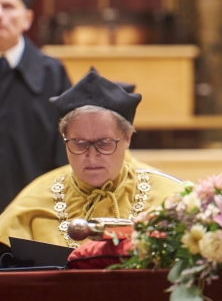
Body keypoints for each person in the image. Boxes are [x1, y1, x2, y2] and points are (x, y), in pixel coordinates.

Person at [0, 69, 182, 251]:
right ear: (64, 140)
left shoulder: (172, 199)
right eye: (79, 143)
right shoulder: (32, 203)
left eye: (104, 143)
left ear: (127, 139)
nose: (92, 156)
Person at [0, 0, 72, 212]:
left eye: (8, 6)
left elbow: (66, 151)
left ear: (27, 19)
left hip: (33, 217)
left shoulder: (52, 74)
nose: (0, 15)